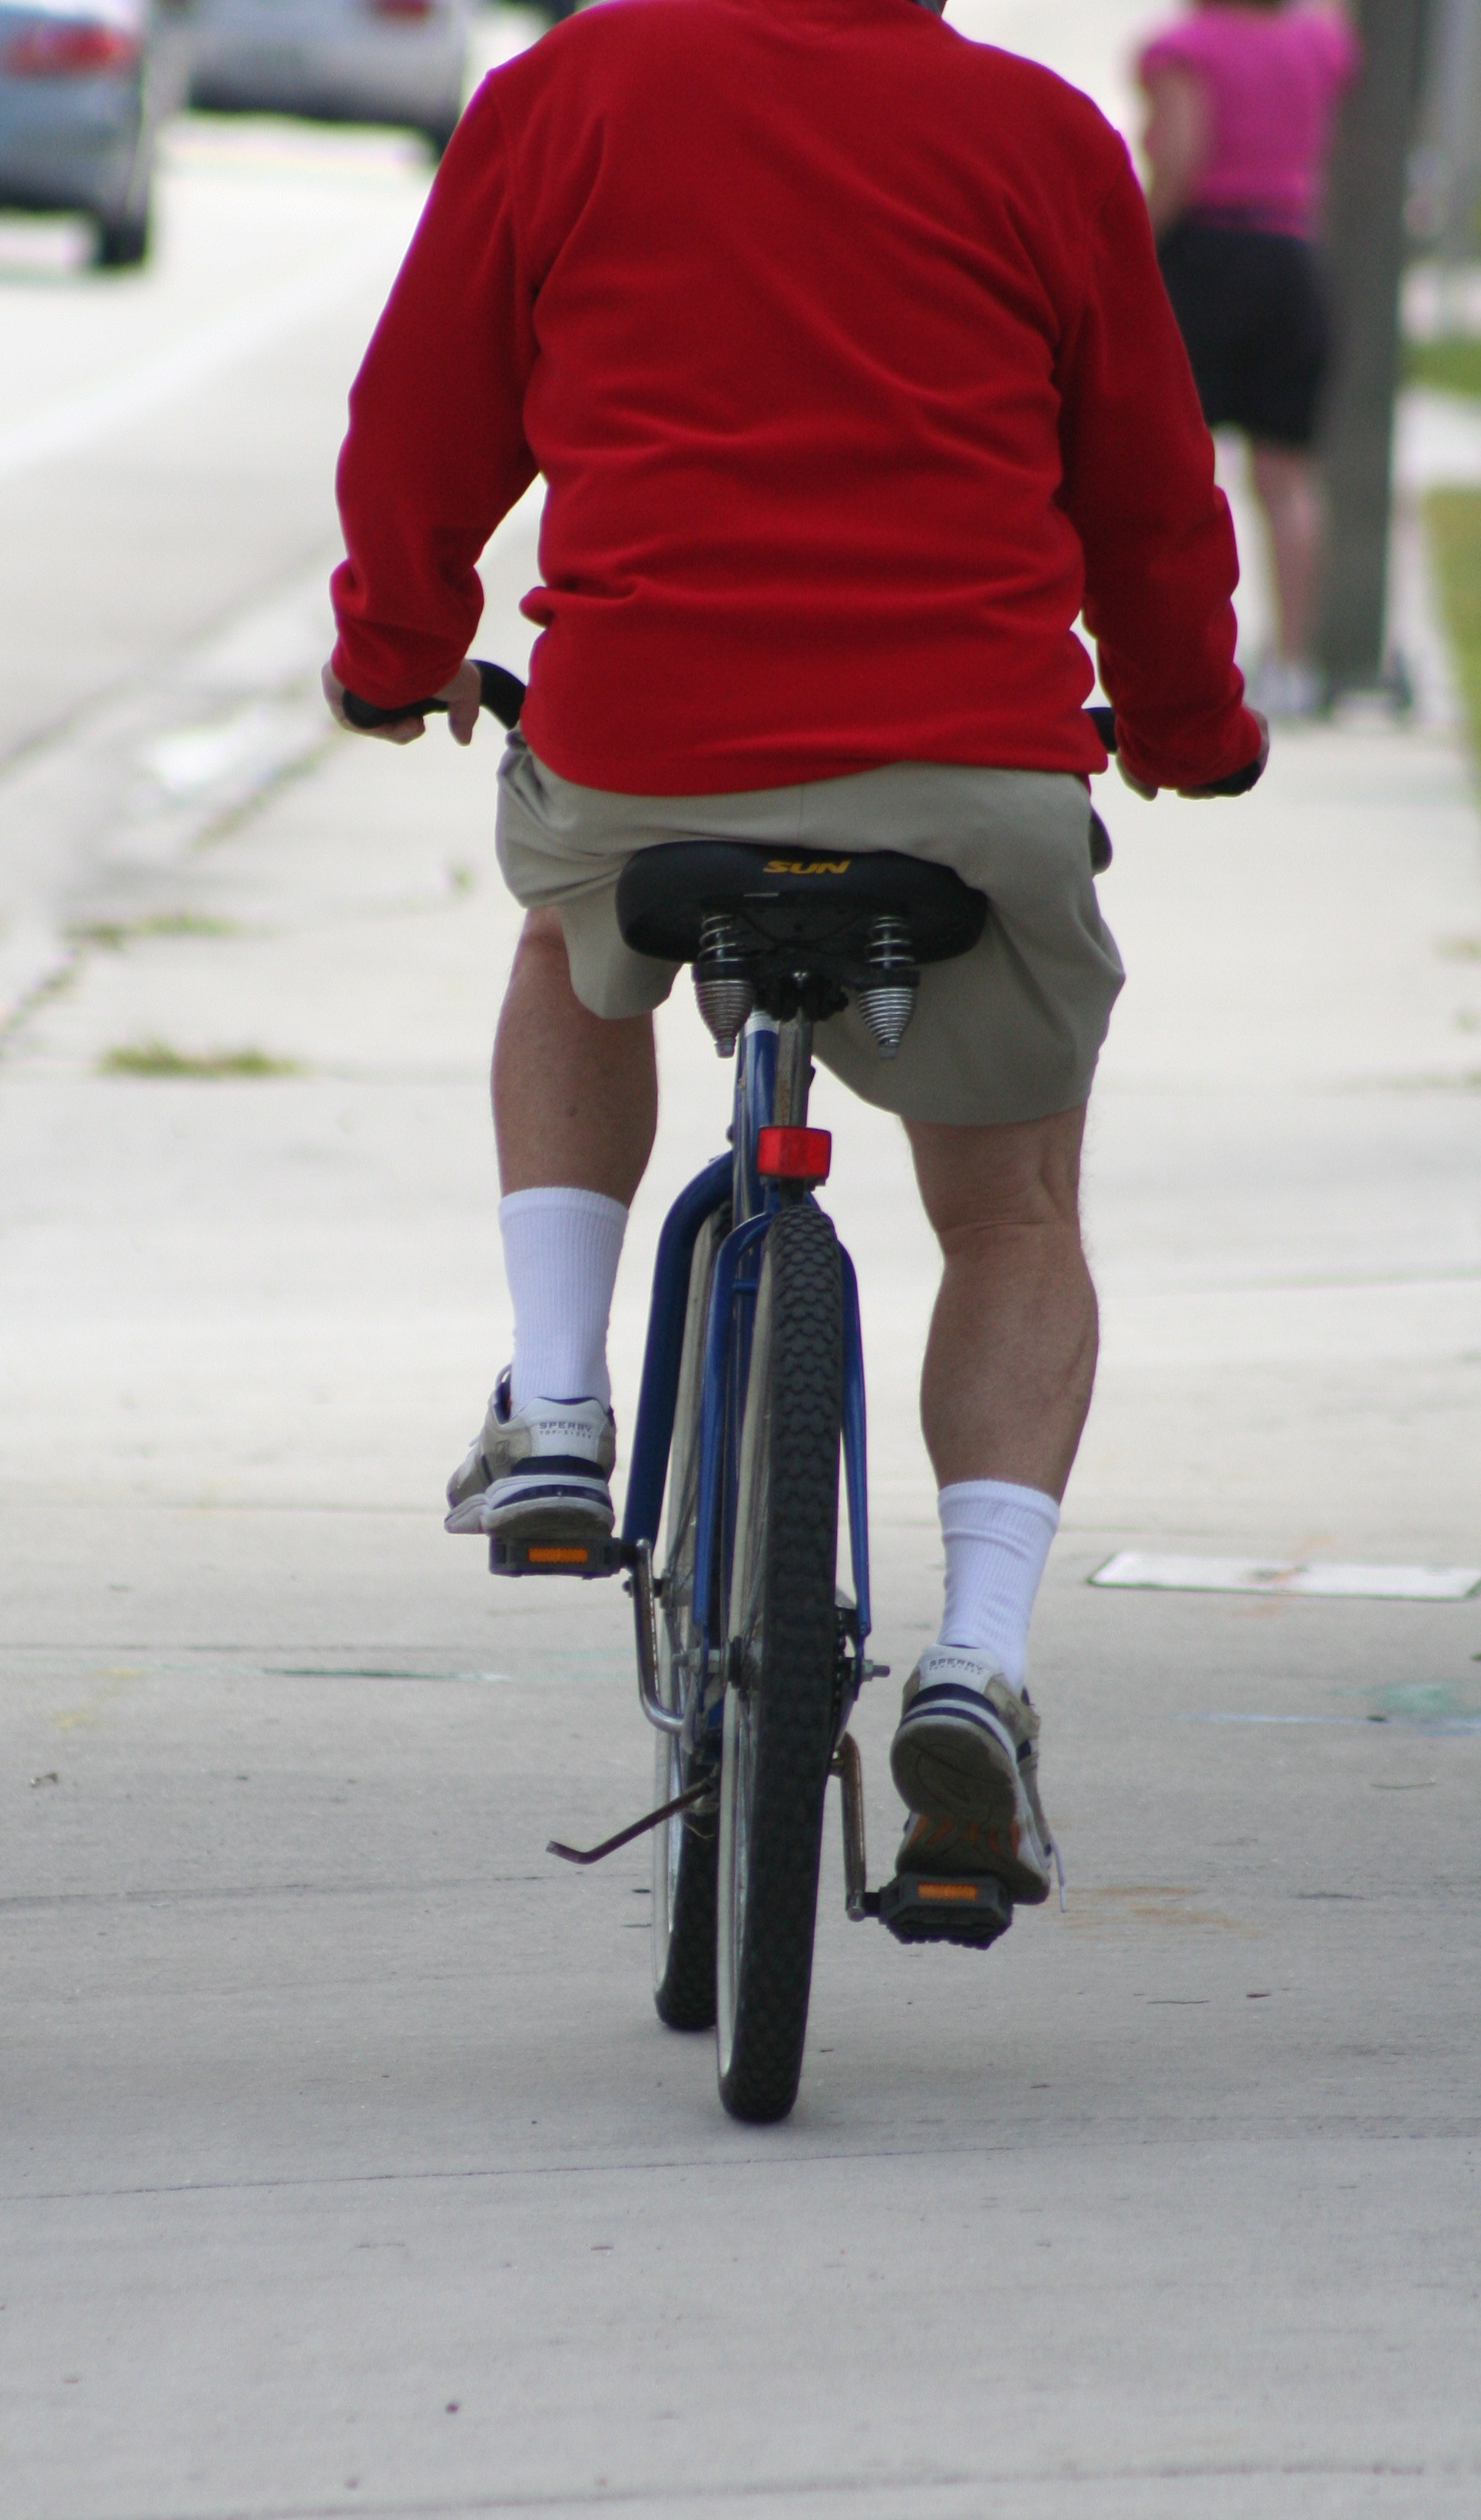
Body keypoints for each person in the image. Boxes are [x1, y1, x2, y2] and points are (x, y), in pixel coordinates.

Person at [323, 0, 1265, 1907]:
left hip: (644, 740)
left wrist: (394, 653)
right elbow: (1149, 501)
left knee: (572, 936)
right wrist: (1184, 728)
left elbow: (419, 430)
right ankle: (982, 1663)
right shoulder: (1038, 138)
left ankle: (561, 1410)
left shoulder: (563, 95)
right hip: (973, 773)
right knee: (1008, 1217)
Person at [1139, 0, 1359, 717]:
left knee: (1177, 467)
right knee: (1287, 480)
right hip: (1290, 258)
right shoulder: (1316, 44)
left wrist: (1129, 247)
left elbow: (1177, 158)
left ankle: (1178, 654)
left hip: (1205, 257)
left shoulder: (1185, 48)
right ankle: (1292, 665)